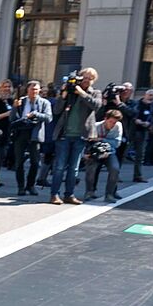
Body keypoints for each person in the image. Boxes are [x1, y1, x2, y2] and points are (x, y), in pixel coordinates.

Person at [49, 68, 102, 205]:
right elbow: (57, 110)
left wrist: (82, 93)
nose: (86, 80)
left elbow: (96, 106)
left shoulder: (95, 93)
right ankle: (54, 194)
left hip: (81, 135)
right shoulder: (71, 91)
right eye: (84, 77)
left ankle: (69, 194)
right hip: (64, 134)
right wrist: (64, 94)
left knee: (74, 168)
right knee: (60, 166)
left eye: (90, 78)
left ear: (93, 80)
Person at [11, 80, 51, 196]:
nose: (34, 91)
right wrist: (14, 108)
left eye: (36, 89)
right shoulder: (21, 101)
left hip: (35, 133)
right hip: (21, 133)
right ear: (27, 90)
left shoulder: (44, 103)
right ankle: (20, 186)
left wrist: (35, 114)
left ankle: (30, 185)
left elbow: (49, 118)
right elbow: (12, 119)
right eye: (32, 89)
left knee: (35, 162)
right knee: (19, 162)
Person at [84, 108, 124, 201]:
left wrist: (101, 139)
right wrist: (85, 154)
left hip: (110, 152)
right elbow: (87, 141)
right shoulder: (96, 126)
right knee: (91, 169)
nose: (112, 124)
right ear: (105, 119)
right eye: (110, 121)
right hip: (95, 153)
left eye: (114, 122)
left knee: (115, 169)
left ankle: (110, 194)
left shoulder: (118, 126)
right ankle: (89, 192)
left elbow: (117, 143)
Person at [127, 88, 153, 182]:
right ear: (145, 95)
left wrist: (150, 124)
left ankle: (137, 175)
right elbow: (129, 114)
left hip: (143, 132)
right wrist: (135, 120)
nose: (151, 97)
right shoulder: (136, 104)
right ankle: (116, 175)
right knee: (123, 153)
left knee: (140, 155)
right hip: (132, 130)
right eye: (150, 95)